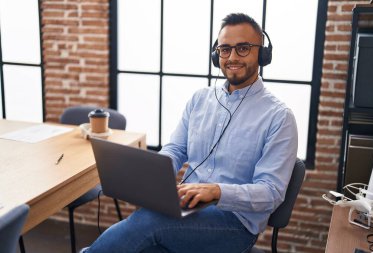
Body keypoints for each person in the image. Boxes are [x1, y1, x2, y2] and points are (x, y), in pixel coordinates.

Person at [81, 13, 297, 253]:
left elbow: (271, 192)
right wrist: (155, 178)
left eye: (243, 48)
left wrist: (216, 191)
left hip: (235, 224)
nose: (233, 57)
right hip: (187, 208)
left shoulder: (279, 117)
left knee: (150, 221)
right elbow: (176, 149)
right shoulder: (199, 100)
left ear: (263, 54)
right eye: (225, 49)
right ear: (217, 55)